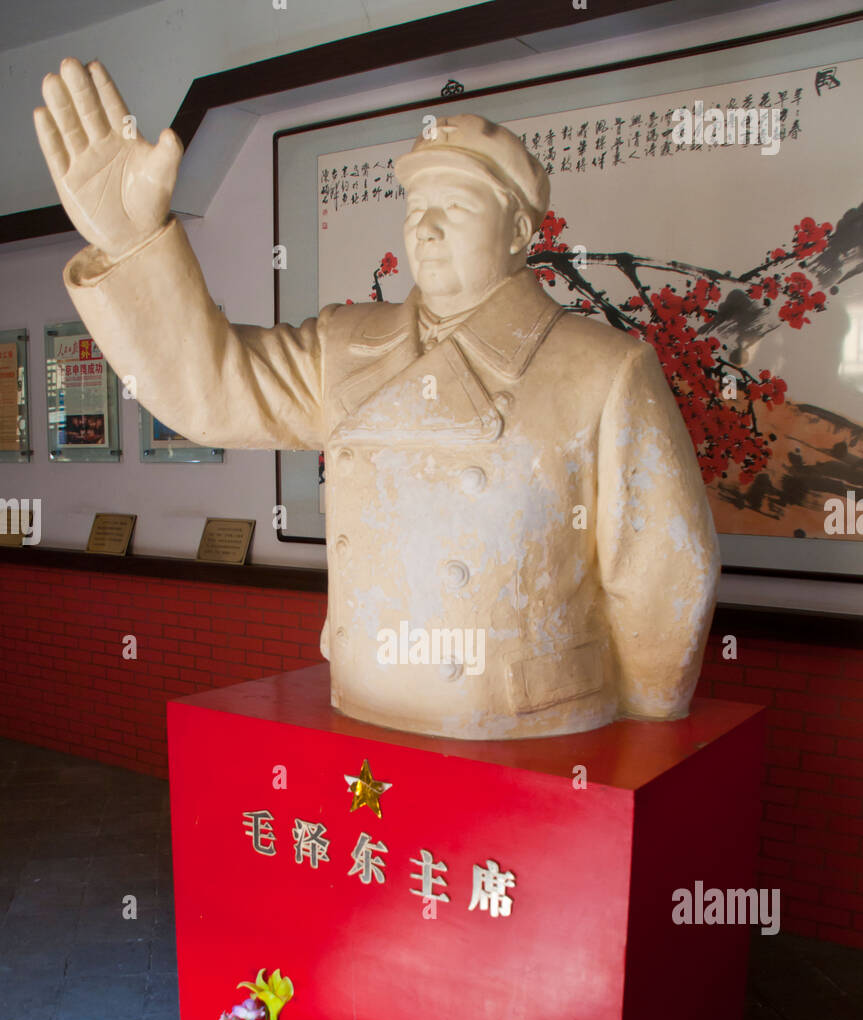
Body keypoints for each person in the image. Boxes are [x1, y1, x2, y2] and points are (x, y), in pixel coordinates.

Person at [35, 58, 720, 740]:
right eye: (416, 209)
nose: (424, 228)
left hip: (529, 726)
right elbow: (212, 391)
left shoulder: (601, 367)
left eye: (454, 207)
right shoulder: (345, 343)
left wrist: (650, 717)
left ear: (517, 233)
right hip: (362, 706)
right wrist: (130, 244)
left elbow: (661, 566)